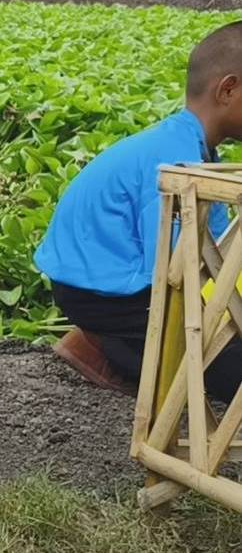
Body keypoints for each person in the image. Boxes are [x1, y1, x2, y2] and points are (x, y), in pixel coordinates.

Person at [37, 21, 242, 394]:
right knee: (226, 360)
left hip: (106, 285)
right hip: (103, 294)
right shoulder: (176, 161)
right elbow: (179, 277)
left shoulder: (189, 148)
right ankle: (113, 346)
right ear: (228, 89)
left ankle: (112, 346)